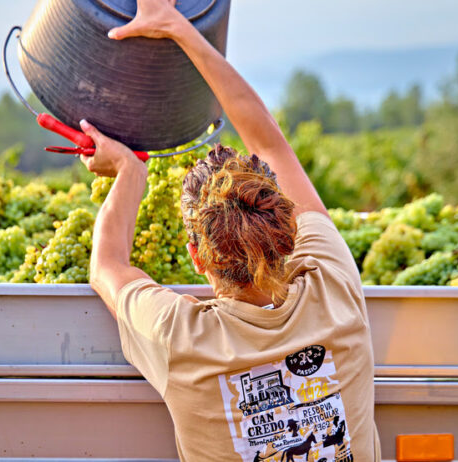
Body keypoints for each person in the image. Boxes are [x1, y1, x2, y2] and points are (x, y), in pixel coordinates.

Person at [78, 0, 379, 460]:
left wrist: (128, 171)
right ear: (286, 233)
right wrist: (182, 28)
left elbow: (107, 264)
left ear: (198, 258)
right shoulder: (332, 286)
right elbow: (268, 141)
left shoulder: (178, 336)